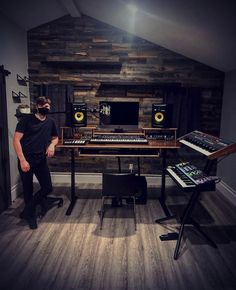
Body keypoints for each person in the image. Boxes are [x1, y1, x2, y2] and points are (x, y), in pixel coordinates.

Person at [13, 96, 58, 229]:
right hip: (26, 159)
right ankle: (31, 215)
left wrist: (52, 145)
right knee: (28, 189)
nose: (47, 107)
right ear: (38, 106)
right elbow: (16, 140)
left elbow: (55, 138)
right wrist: (22, 160)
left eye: (49, 105)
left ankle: (27, 210)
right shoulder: (26, 121)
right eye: (44, 105)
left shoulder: (51, 122)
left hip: (41, 160)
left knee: (47, 187)